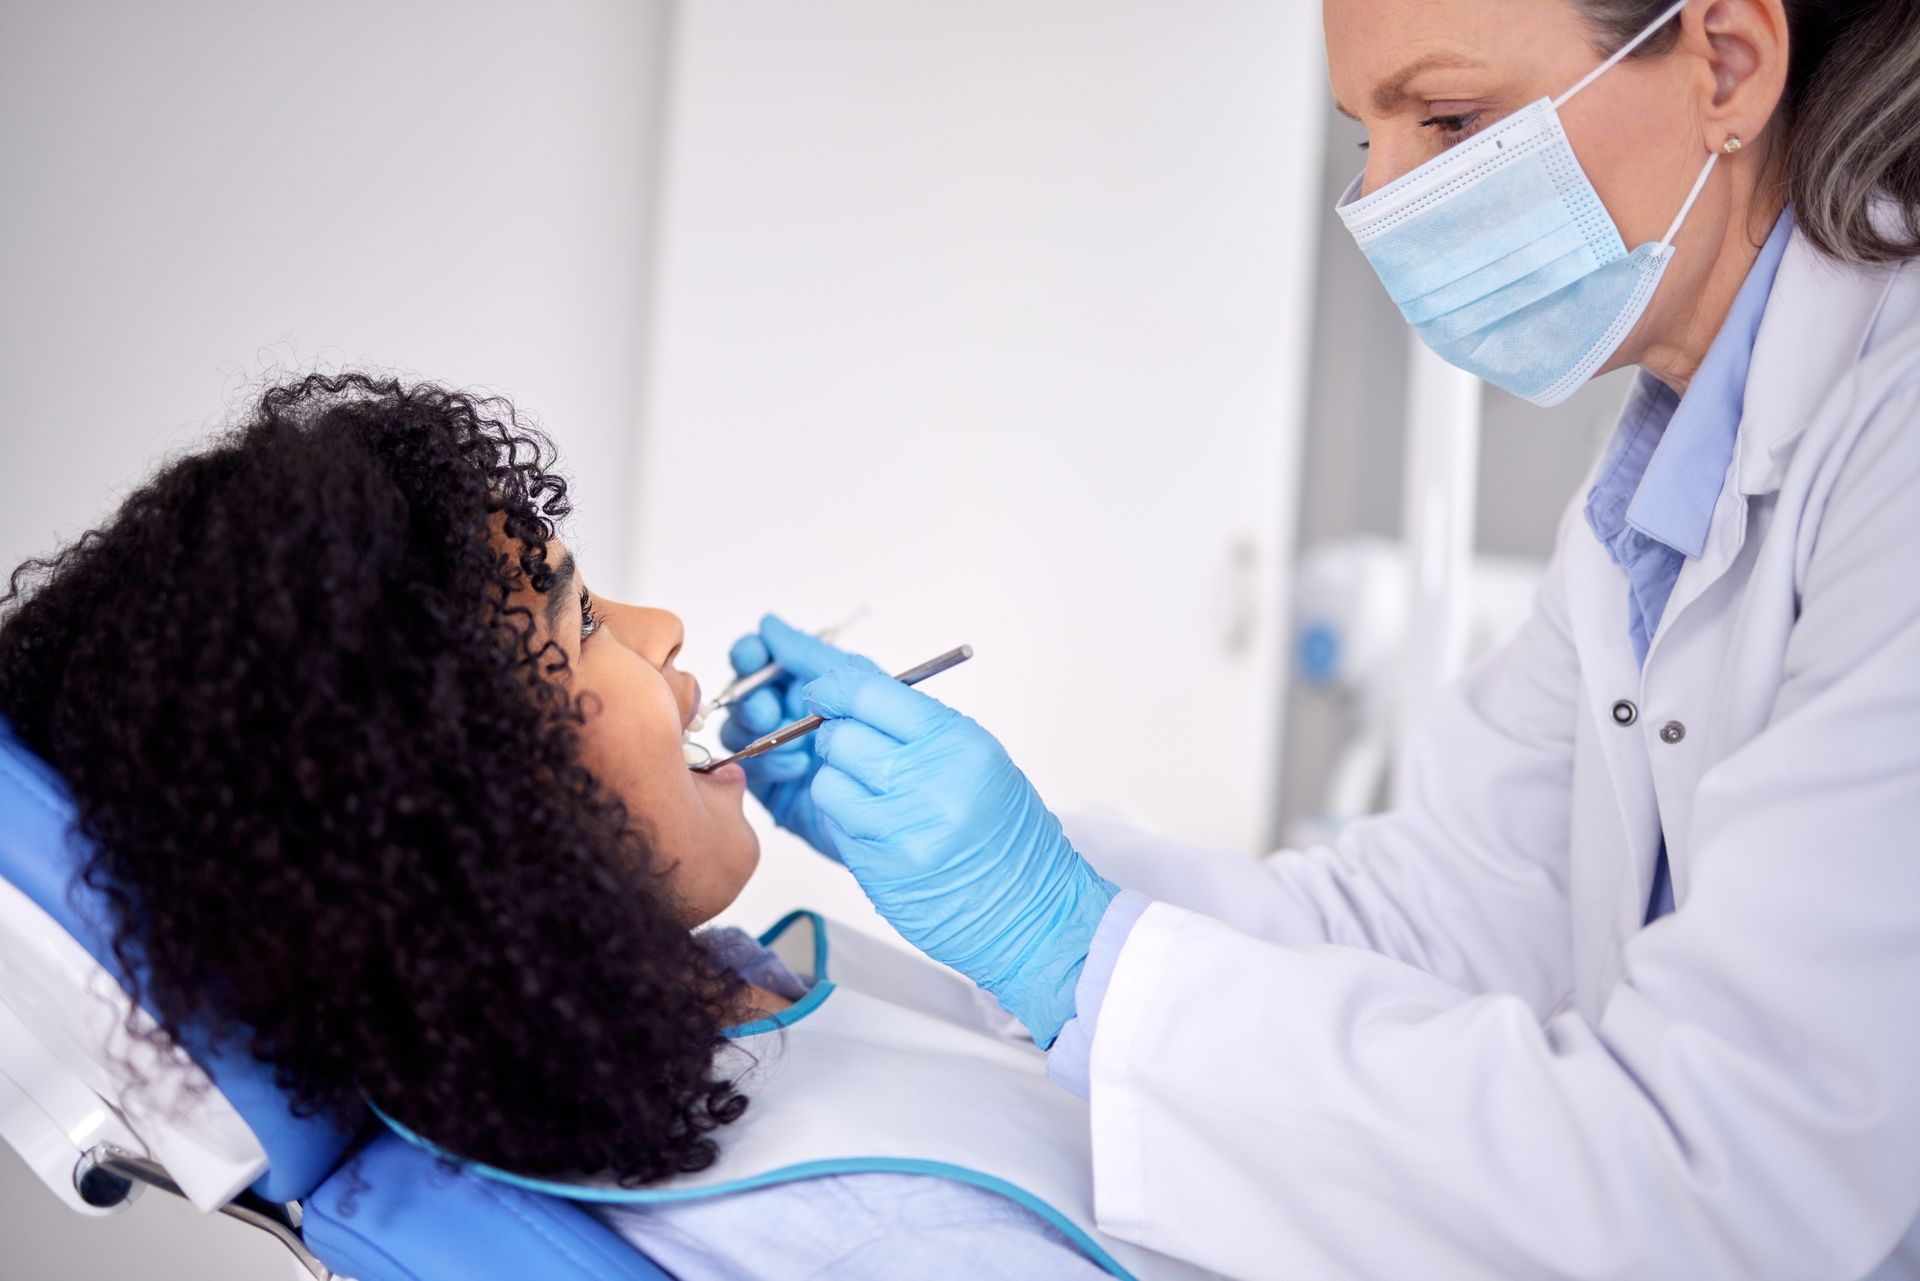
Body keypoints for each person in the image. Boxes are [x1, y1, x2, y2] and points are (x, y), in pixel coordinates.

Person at [723, 1, 1920, 1276]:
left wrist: (1062, 937)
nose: (1383, 200)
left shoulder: (1891, 436)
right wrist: (1025, 895)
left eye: (1450, 119)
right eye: (1368, 134)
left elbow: (1736, 1169)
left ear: (1728, 65)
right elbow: (1435, 916)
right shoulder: (1663, 477)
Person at [0, 373, 1181, 1279]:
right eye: (581, 620)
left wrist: (1057, 940)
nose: (664, 624)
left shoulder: (699, 1017)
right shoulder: (864, 1241)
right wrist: (1062, 944)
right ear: (465, 808)